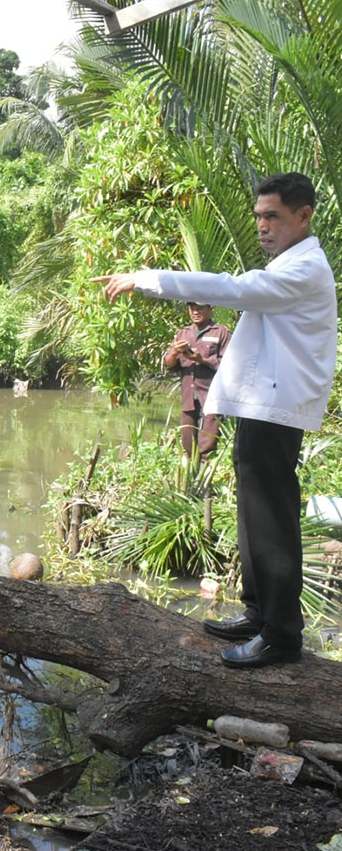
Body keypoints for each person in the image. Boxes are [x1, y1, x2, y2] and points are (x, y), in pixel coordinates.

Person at [92, 172, 337, 669]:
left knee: (271, 519)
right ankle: (258, 614)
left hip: (275, 407)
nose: (262, 226)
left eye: (273, 216)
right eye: (258, 216)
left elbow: (230, 288)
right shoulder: (287, 265)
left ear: (303, 216)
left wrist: (148, 279)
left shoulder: (304, 269)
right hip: (260, 405)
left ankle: (282, 635)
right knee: (252, 515)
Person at [162, 302, 231, 457]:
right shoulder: (183, 333)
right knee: (188, 446)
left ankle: (205, 472)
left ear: (211, 309)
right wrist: (174, 353)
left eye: (200, 308)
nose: (195, 312)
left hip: (212, 399)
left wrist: (202, 360)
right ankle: (191, 472)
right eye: (192, 308)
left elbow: (229, 366)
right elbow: (169, 364)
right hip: (189, 399)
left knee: (207, 448)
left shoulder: (221, 332)